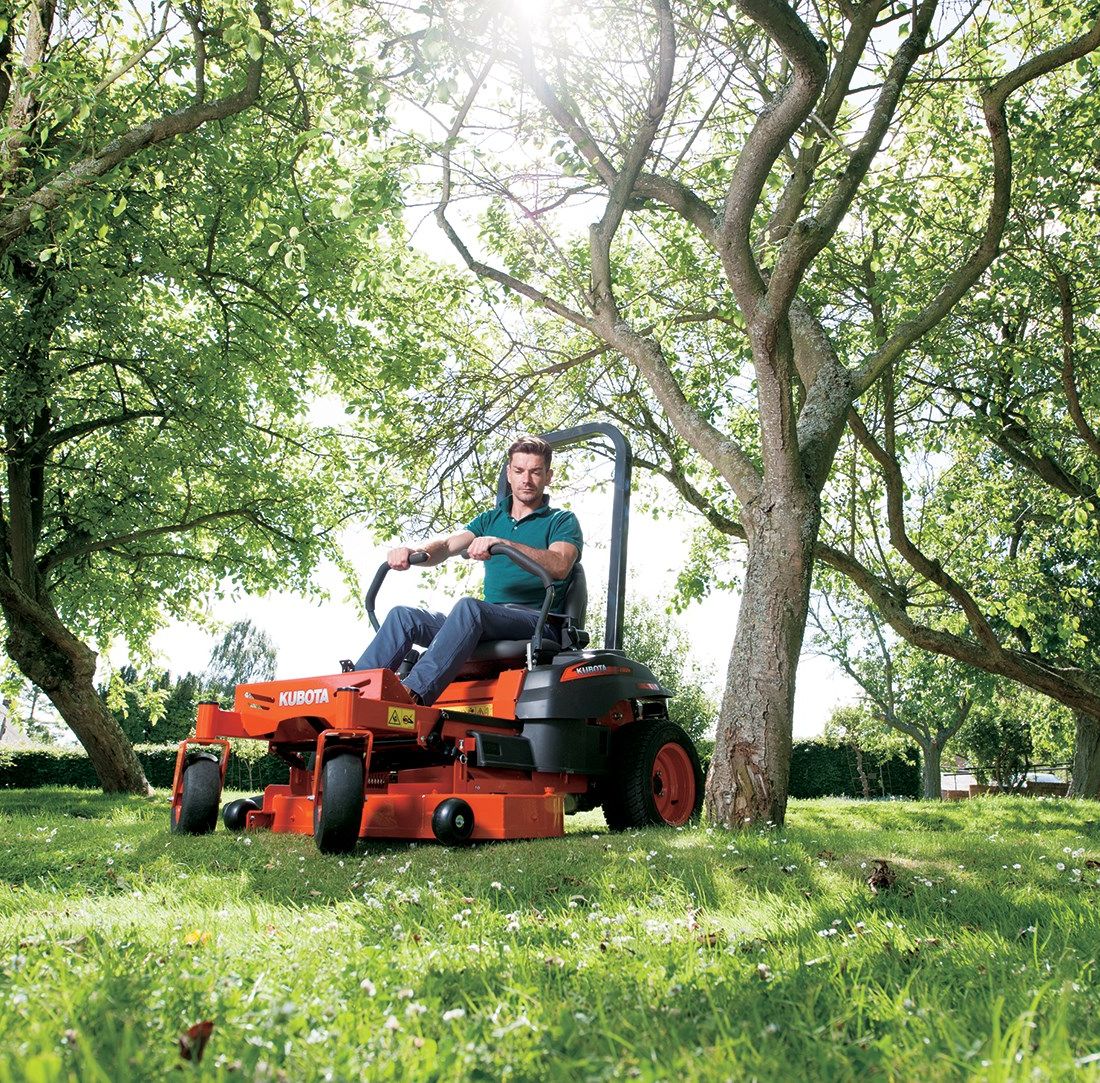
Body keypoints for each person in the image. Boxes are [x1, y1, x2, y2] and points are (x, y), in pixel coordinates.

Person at [351, 435, 583, 705]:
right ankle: (353, 693)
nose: (526, 479)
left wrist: (504, 543)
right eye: (519, 471)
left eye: (535, 472)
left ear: (548, 476)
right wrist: (416, 552)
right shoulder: (490, 519)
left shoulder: (561, 520)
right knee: (404, 617)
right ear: (509, 473)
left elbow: (560, 565)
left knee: (469, 608)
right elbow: (448, 544)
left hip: (538, 622)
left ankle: (411, 698)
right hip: (491, 619)